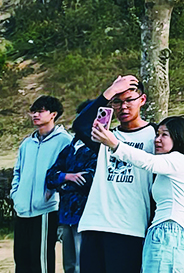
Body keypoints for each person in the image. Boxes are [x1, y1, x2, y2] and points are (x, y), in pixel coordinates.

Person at [93, 111, 184, 273]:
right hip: (161, 231)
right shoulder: (171, 164)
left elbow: (147, 162)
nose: (157, 139)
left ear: (179, 137)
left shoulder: (178, 160)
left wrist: (115, 144)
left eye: (164, 135)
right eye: (157, 134)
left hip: (169, 231)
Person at [78, 77, 157, 273]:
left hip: (130, 227)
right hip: (95, 223)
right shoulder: (105, 135)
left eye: (129, 100)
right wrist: (110, 91)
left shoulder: (156, 135)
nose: (123, 107)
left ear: (142, 100)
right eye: (117, 101)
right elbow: (80, 125)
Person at [11, 96, 71, 273]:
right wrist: (16, 196)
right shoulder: (27, 144)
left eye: (40, 111)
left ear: (53, 114)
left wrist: (52, 195)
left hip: (45, 210)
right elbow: (17, 172)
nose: (35, 115)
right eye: (33, 112)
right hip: (22, 210)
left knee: (41, 262)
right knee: (22, 261)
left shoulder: (64, 141)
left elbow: (66, 172)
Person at [46, 101, 105, 273]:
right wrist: (68, 177)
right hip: (66, 214)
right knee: (69, 263)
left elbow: (88, 180)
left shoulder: (99, 148)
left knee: (83, 262)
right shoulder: (71, 147)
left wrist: (63, 183)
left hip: (86, 214)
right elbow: (51, 176)